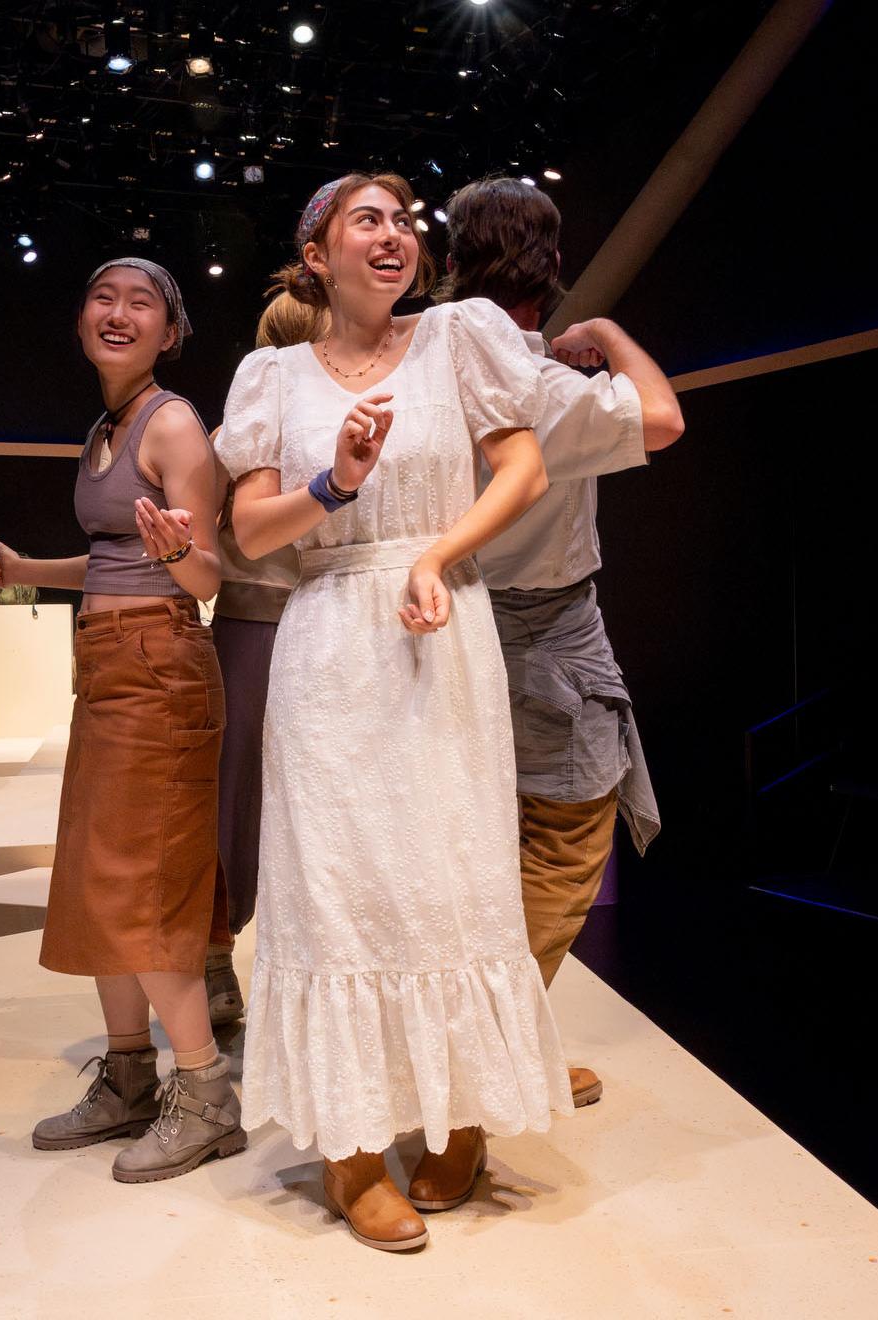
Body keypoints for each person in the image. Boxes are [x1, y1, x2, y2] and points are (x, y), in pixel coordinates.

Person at [216, 174, 569, 1251]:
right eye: (366, 219)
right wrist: (333, 482)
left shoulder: (462, 336)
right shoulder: (271, 373)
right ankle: (354, 1150)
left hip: (440, 627)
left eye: (404, 221)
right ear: (315, 253)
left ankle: (460, 1115)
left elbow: (526, 468)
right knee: (341, 890)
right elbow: (250, 536)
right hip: (329, 648)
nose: (396, 236)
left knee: (454, 872)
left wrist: (439, 552)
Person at [0, 257, 242, 1184]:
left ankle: (204, 1094)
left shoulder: (171, 424)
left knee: (147, 881)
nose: (118, 314)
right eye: (104, 298)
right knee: (97, 875)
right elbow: (114, 554)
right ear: (81, 319)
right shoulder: (103, 427)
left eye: (143, 305)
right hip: (110, 668)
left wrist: (182, 553)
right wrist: (27, 571)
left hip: (161, 665)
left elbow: (207, 575)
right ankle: (128, 1077)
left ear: (171, 334)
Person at [435, 174, 685, 1123]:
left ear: (453, 262)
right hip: (541, 633)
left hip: (446, 621)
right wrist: (609, 336)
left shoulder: (423, 367)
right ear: (552, 268)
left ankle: (500, 1046)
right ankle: (487, 1055)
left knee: (474, 853)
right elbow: (662, 418)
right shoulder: (541, 384)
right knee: (568, 840)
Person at [199, 292, 325, 1027]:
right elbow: (203, 536)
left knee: (309, 801)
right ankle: (216, 955)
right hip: (251, 628)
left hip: (332, 623)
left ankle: (292, 968)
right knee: (235, 797)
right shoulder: (238, 427)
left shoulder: (347, 420)